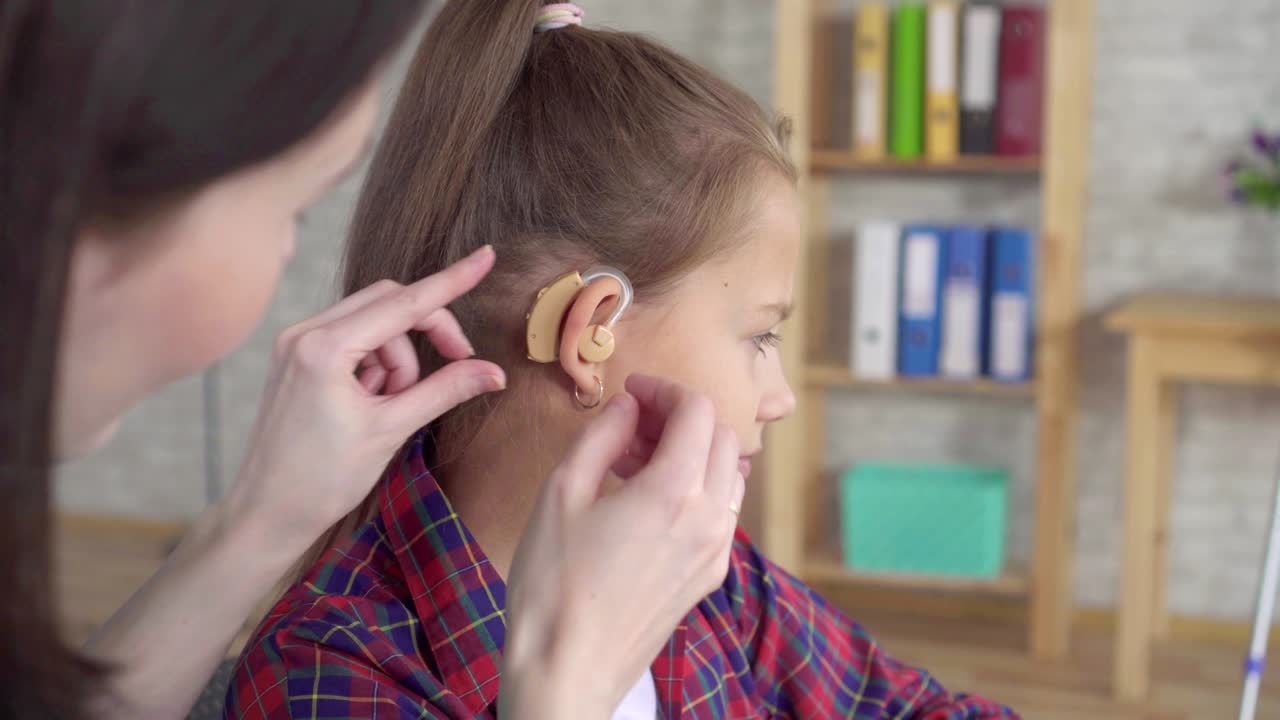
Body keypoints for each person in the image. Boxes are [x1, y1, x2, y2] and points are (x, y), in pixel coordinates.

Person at [227, 2, 1020, 718]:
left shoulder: (708, 578)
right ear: (591, 334)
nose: (778, 397)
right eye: (760, 338)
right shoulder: (330, 678)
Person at [0, 2, 742, 718]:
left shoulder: (719, 582)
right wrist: (564, 696)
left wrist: (262, 520)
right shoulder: (334, 675)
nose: (288, 256)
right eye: (294, 206)